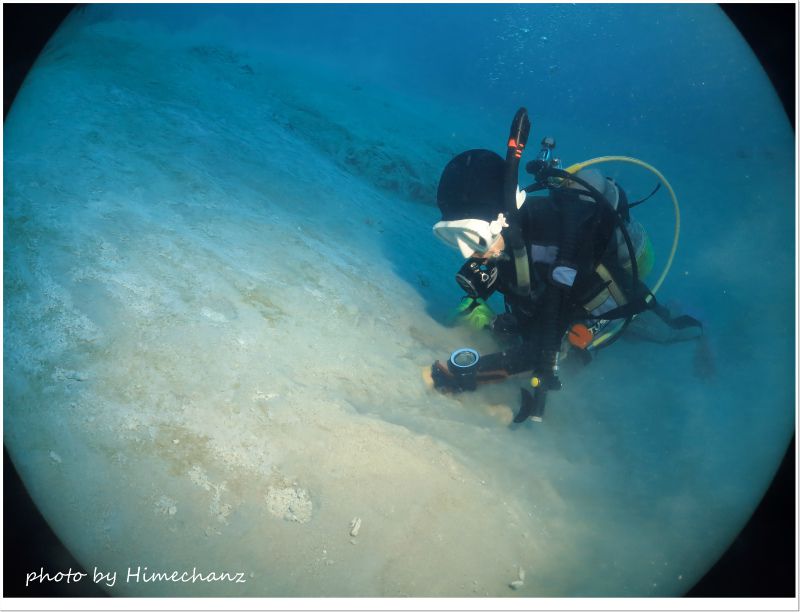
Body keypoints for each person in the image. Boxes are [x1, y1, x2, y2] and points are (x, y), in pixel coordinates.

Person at [426, 133, 702, 423]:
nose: (465, 251)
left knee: (663, 330)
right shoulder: (508, 241)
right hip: (556, 289)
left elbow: (543, 350)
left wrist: (464, 375)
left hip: (608, 291)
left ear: (503, 220)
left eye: (471, 236)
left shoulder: (565, 244)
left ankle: (695, 325)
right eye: (452, 236)